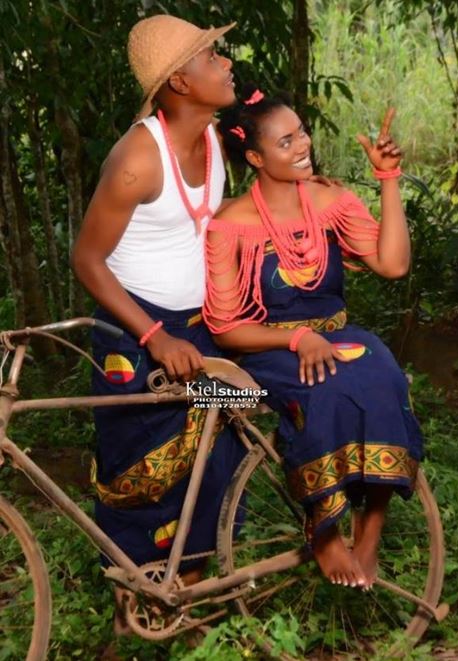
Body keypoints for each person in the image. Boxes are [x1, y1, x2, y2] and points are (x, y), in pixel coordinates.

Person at [202, 85, 423, 590]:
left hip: (339, 335)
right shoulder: (230, 224)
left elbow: (393, 264)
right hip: (270, 348)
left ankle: (370, 525)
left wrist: (388, 179)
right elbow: (225, 326)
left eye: (301, 132)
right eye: (285, 142)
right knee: (322, 391)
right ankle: (324, 532)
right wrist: (298, 338)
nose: (301, 145)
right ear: (255, 157)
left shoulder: (331, 200)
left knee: (384, 377)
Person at [71, 14, 246, 628]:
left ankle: (187, 594)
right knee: (137, 470)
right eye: (211, 57)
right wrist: (153, 334)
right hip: (137, 336)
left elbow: (208, 220)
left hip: (199, 328)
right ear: (180, 81)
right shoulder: (135, 160)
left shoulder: (214, 138)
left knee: (214, 456)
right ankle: (131, 607)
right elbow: (87, 260)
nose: (226, 63)